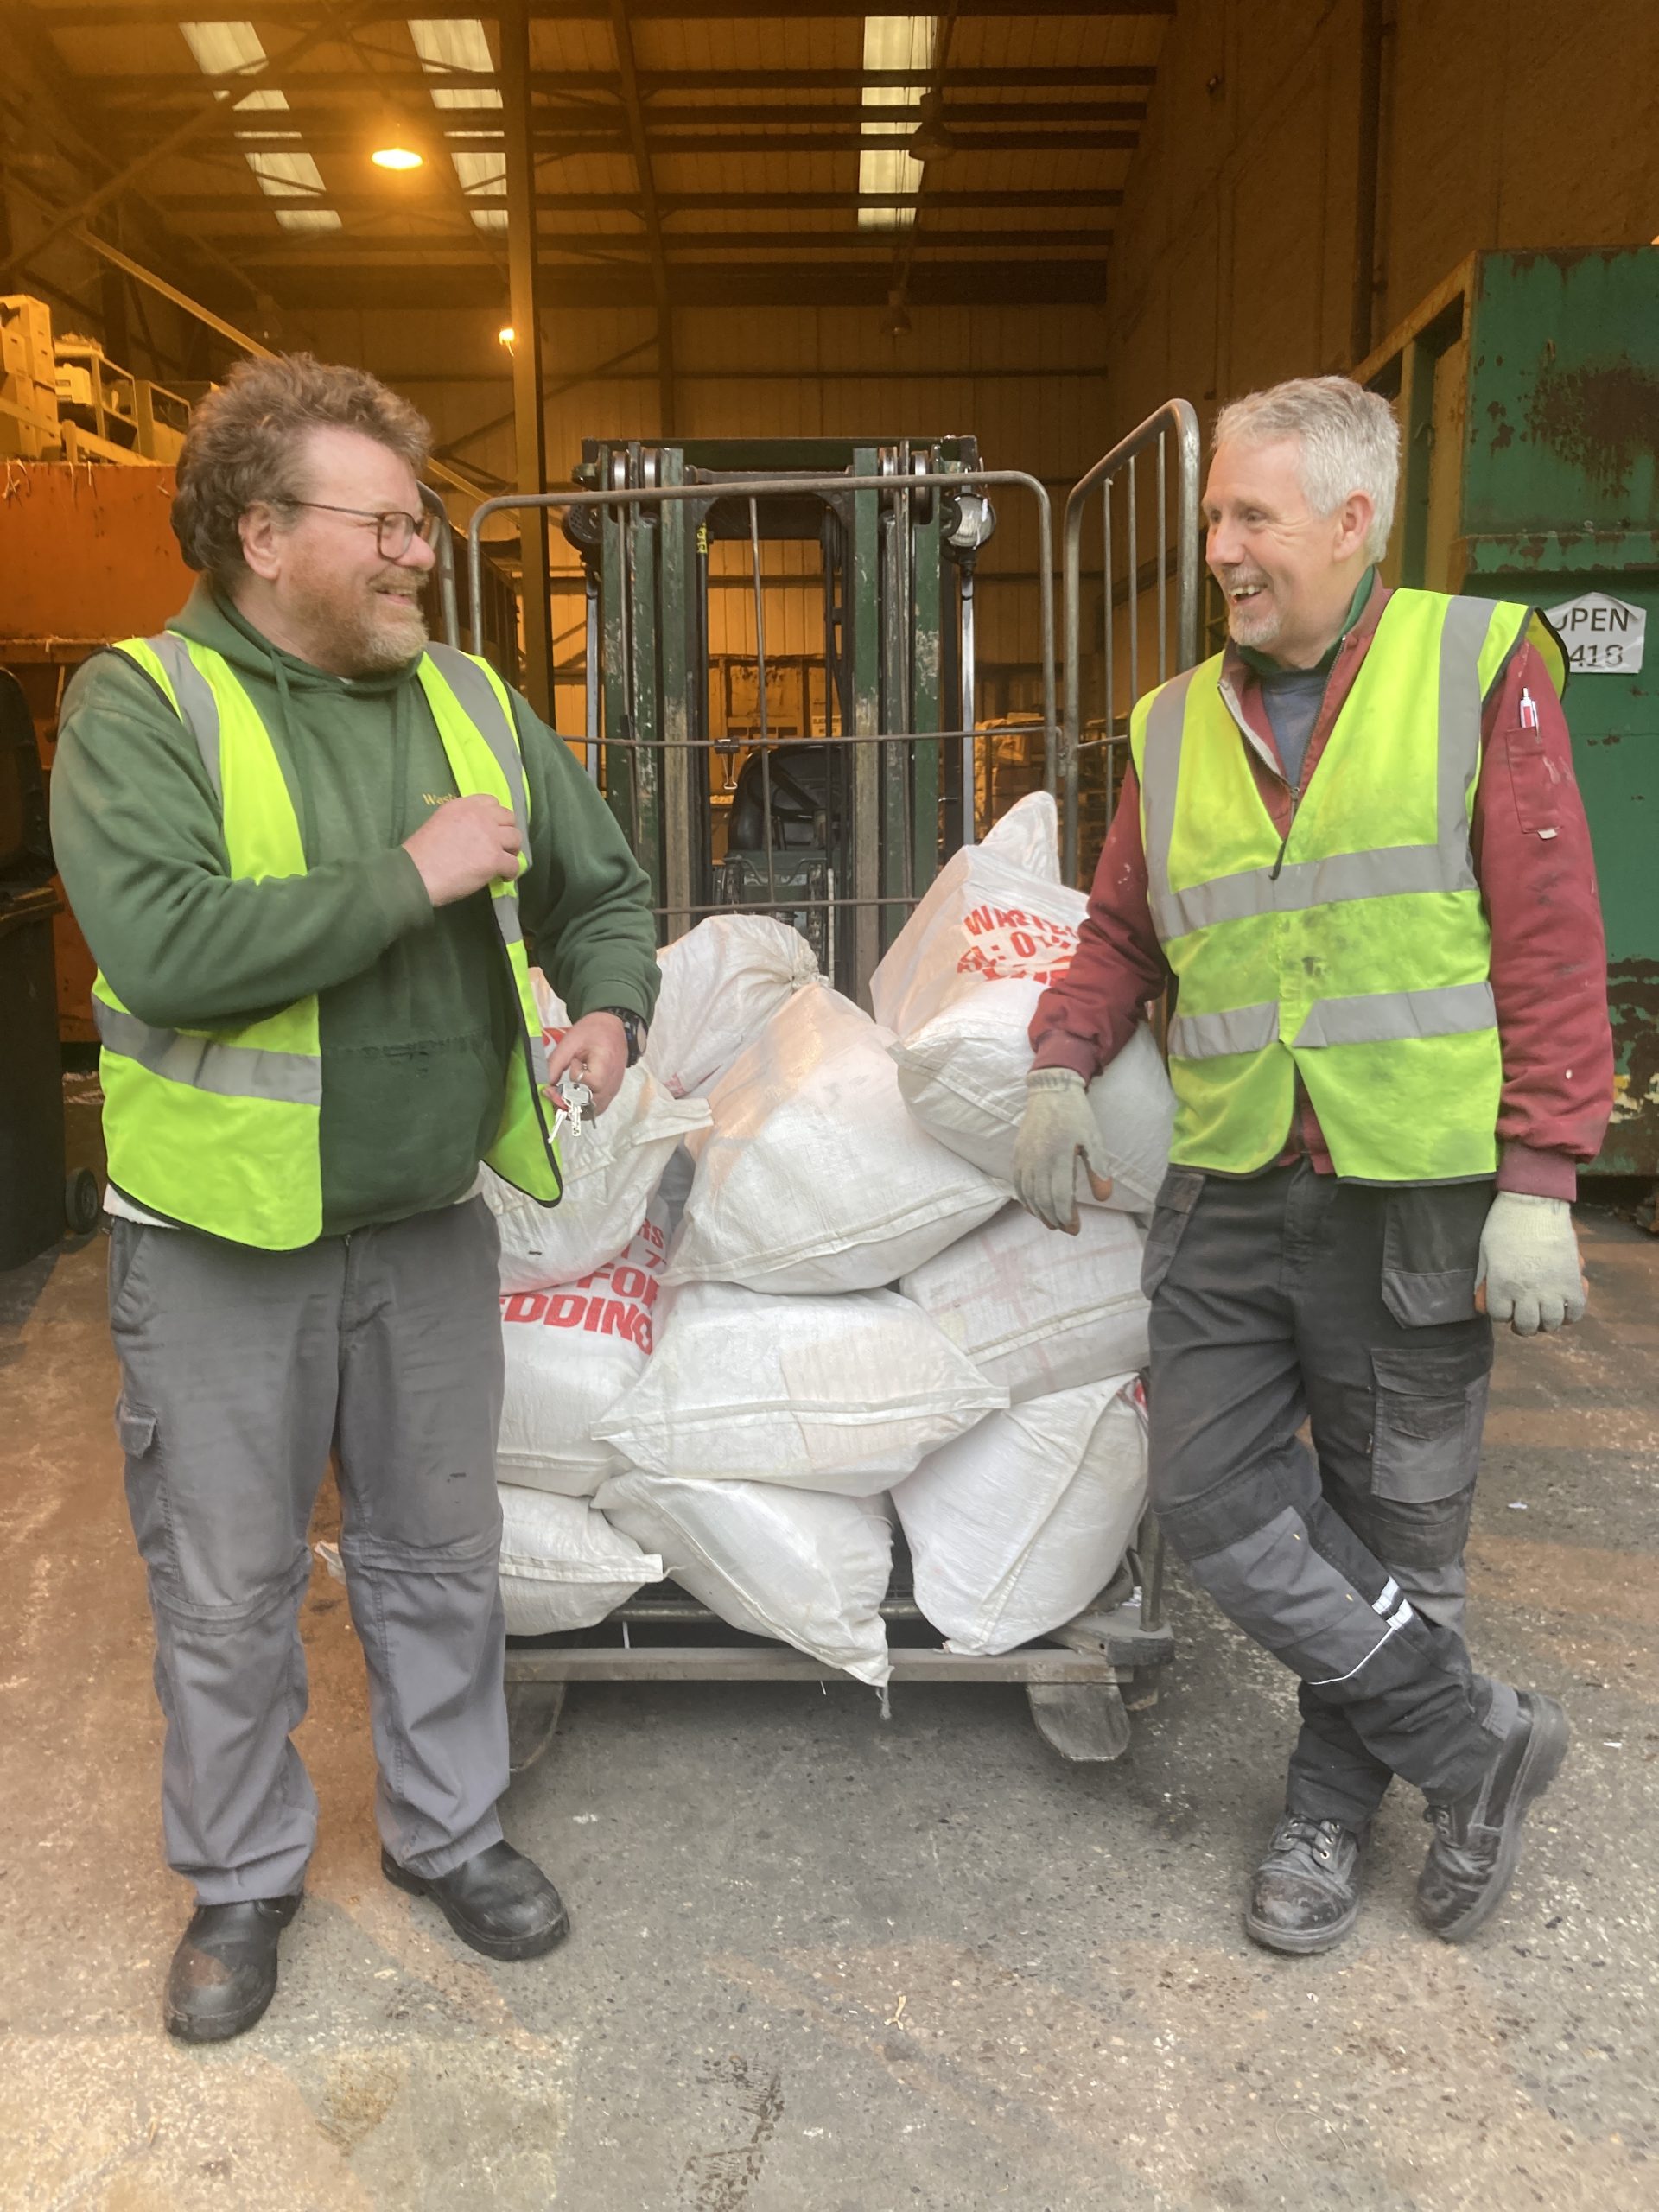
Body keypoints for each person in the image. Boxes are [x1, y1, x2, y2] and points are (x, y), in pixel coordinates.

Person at [52, 354, 660, 2042]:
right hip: (222, 1246)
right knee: (229, 1582)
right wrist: (412, 875)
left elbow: (599, 879)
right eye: (382, 523)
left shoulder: (469, 700)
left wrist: (610, 997)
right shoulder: (145, 705)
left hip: (417, 1222)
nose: (417, 552)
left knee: (434, 1553)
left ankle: (448, 1830)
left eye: (421, 522)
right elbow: (164, 948)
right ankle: (242, 1877)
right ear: (262, 533)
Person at [1014, 376, 1612, 1955]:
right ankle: (1477, 1746)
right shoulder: (1169, 720)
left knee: (1399, 1522)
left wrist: (1545, 1172)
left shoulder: (1473, 664)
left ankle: (1331, 1815)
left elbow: (1551, 937)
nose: (1221, 547)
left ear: (1356, 524)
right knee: (1214, 1499)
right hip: (1226, 1181)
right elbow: (1125, 930)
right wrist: (1062, 1062)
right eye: (1216, 515)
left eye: (1251, 517)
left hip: (1407, 1188)